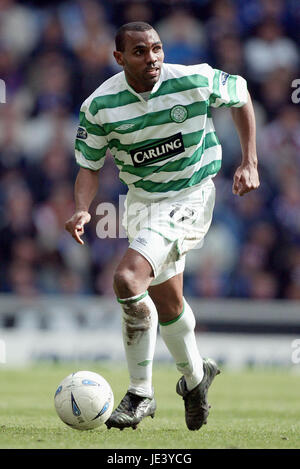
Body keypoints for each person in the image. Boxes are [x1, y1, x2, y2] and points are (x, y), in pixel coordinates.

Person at [65, 21, 260, 431]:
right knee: (168, 304)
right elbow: (88, 166)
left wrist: (249, 161)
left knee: (126, 278)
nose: (151, 58)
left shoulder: (192, 79)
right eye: (139, 51)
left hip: (190, 195)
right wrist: (83, 208)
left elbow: (240, 93)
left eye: (156, 48)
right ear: (119, 58)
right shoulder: (100, 106)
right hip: (140, 203)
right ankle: (195, 378)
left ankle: (140, 393)